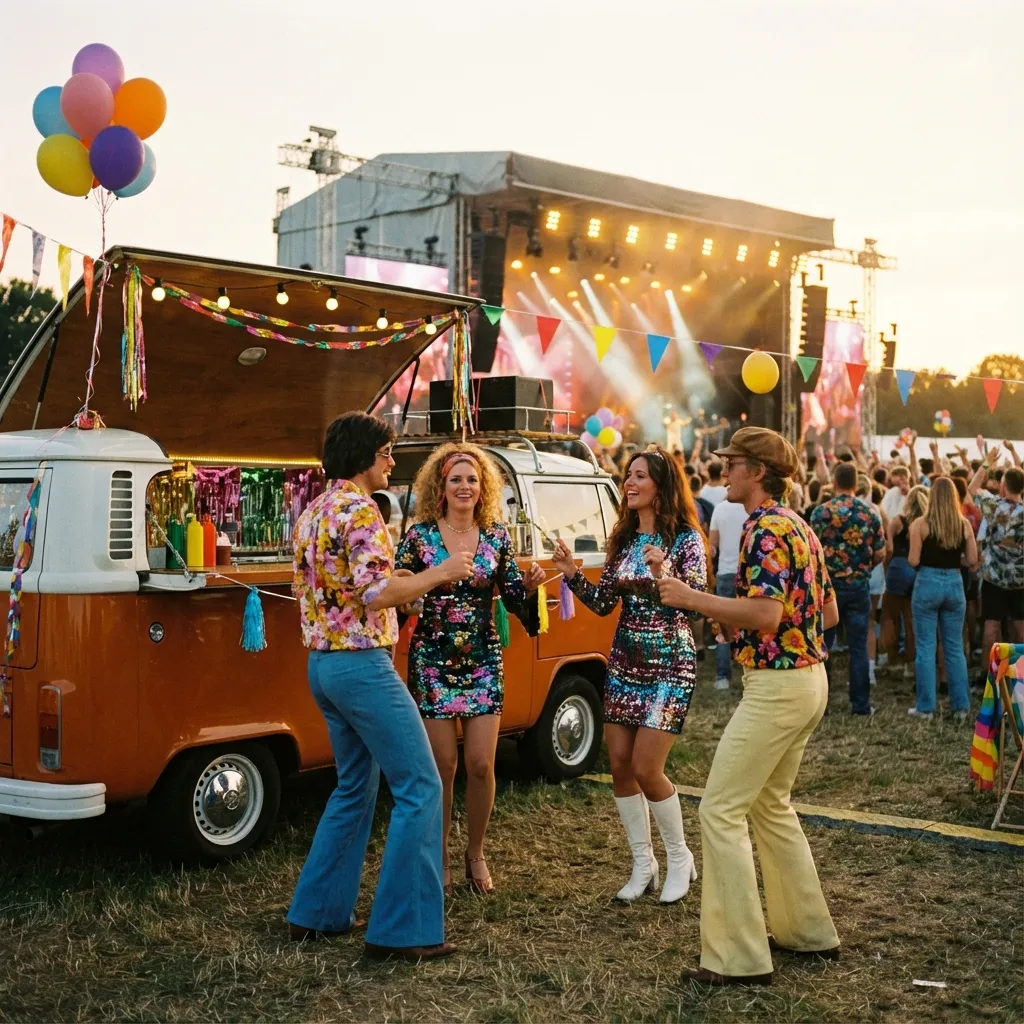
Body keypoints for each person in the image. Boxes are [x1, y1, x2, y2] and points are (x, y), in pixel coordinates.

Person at [657, 426, 840, 986]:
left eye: (732, 463)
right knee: (770, 806)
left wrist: (693, 599)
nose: (724, 472)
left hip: (779, 687)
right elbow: (824, 614)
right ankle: (807, 932)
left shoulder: (763, 530)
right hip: (808, 680)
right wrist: (736, 619)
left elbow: (765, 615)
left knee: (720, 810)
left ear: (757, 472)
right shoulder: (798, 525)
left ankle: (737, 958)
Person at [288, 412, 474, 961]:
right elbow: (375, 591)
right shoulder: (361, 510)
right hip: (363, 665)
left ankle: (317, 913)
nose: (393, 461)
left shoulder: (313, 511)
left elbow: (348, 589)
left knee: (354, 786)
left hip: (323, 666)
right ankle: (404, 930)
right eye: (387, 451)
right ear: (364, 455)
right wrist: (442, 573)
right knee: (421, 785)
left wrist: (407, 591)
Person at [551, 445, 711, 905]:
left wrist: (668, 570)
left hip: (669, 663)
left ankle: (680, 857)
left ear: (661, 485)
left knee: (646, 767)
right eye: (628, 475)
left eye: (640, 475)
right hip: (624, 660)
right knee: (619, 763)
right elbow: (604, 603)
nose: (630, 483)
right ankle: (644, 863)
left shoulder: (685, 539)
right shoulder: (622, 538)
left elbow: (695, 600)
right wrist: (572, 575)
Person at [395, 444, 545, 896]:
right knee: (443, 765)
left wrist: (531, 588)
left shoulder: (497, 537)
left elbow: (515, 598)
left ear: (484, 490)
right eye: (456, 479)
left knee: (480, 764)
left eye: (472, 480)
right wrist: (423, 585)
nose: (464, 486)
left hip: (482, 659)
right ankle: (437, 853)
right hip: (433, 660)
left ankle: (474, 852)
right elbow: (398, 590)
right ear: (441, 487)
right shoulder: (419, 537)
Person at [810, 462, 885, 716]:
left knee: (823, 645)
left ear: (834, 482)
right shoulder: (869, 513)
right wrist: (863, 568)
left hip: (828, 589)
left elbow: (812, 551)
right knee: (858, 646)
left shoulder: (820, 513)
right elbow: (881, 552)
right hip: (858, 587)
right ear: (856, 483)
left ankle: (822, 704)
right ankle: (861, 705)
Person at [907, 476, 978, 720]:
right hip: (954, 583)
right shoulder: (963, 525)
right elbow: (972, 560)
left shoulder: (920, 524)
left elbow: (913, 560)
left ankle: (926, 707)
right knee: (954, 647)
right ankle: (961, 706)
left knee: (925, 646)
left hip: (927, 582)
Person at [968, 447, 1024, 650]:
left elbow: (972, 488)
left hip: (994, 579)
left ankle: (989, 676)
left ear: (1003, 486)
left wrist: (986, 462)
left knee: (991, 627)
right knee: (1020, 628)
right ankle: (1021, 678)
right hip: (1020, 580)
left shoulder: (994, 506)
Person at [879, 486, 929, 679]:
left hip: (898, 567)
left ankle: (892, 660)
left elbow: (888, 547)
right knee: (911, 620)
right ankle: (910, 665)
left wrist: (886, 568)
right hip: (917, 569)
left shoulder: (899, 520)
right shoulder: (927, 522)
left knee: (890, 616)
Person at [708, 498, 749, 690]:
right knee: (749, 626)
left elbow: (713, 546)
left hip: (725, 572)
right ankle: (748, 673)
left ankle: (722, 677)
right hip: (747, 573)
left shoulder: (720, 509)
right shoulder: (750, 509)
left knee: (723, 627)